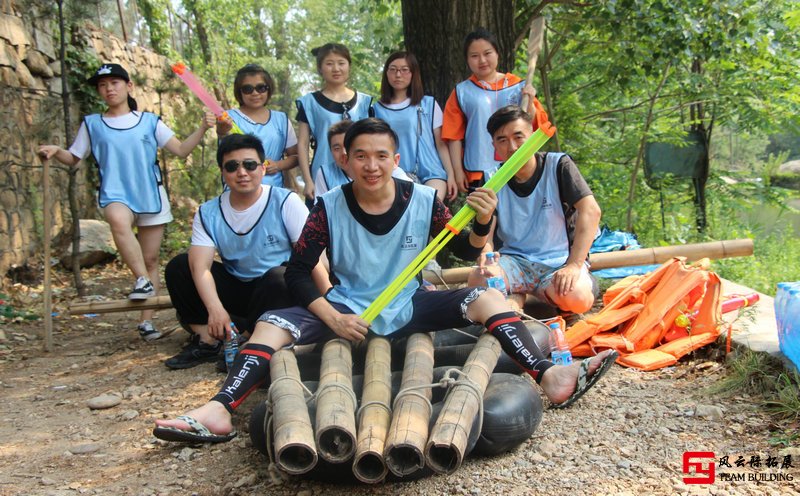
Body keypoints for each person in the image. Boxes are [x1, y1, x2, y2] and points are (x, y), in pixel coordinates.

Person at [153, 118, 616, 443]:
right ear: (346, 161)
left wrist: (479, 224)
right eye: (360, 156)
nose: (371, 166)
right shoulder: (328, 205)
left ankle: (550, 375)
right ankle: (219, 410)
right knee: (273, 321)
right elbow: (297, 273)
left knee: (486, 297)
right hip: (351, 307)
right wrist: (330, 315)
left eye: (380, 156)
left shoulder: (421, 199)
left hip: (411, 304)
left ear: (395, 158)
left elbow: (462, 251)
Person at [38, 63, 214, 341]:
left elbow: (180, 150)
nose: (109, 89)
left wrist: (203, 128)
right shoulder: (93, 124)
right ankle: (142, 281)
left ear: (128, 86)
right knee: (118, 221)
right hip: (115, 192)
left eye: (114, 83)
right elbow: (74, 157)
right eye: (103, 85)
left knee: (151, 259)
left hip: (151, 194)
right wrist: (56, 150)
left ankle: (146, 322)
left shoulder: (149, 121)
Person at [162, 134, 328, 369]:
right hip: (239, 288)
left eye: (250, 165)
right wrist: (215, 309)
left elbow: (312, 259)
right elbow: (201, 269)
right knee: (180, 267)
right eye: (232, 166)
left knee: (281, 276)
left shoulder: (285, 201)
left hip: (276, 291)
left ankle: (249, 339)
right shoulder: (209, 212)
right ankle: (207, 340)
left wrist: (329, 304)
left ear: (262, 168)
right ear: (222, 172)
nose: (242, 172)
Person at [468, 105, 602, 315]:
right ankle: (527, 293)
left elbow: (591, 211)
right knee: (478, 281)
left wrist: (574, 265)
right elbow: (487, 233)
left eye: (518, 137)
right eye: (502, 140)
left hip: (559, 262)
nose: (512, 147)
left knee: (578, 298)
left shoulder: (558, 165)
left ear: (532, 136)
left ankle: (526, 295)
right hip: (514, 262)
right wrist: (487, 257)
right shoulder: (491, 179)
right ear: (494, 145)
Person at [442, 28, 548, 192]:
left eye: (487, 53)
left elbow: (533, 125)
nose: (482, 60)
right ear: (467, 60)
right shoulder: (461, 92)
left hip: (517, 165)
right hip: (479, 171)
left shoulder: (519, 86)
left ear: (497, 54)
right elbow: (453, 136)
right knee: (486, 217)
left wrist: (531, 103)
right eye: (474, 56)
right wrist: (457, 171)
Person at [371, 51, 456, 202]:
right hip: (394, 174)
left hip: (432, 172)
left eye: (404, 70)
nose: (398, 74)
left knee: (430, 206)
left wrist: (450, 175)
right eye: (393, 69)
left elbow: (441, 144)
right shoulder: (375, 110)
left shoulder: (428, 104)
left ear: (413, 74)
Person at [296, 43, 372, 202]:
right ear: (320, 68)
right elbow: (302, 144)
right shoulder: (309, 103)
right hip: (321, 175)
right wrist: (308, 180)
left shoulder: (364, 102)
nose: (336, 68)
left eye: (341, 63)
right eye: (329, 64)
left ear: (349, 66)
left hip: (359, 175)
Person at [216, 64, 298, 188]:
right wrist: (221, 132)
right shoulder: (228, 118)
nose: (255, 93)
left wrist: (278, 165)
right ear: (239, 92)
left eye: (261, 88)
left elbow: (296, 156)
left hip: (273, 192)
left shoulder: (281, 120)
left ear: (268, 89)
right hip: (238, 190)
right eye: (248, 89)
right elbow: (224, 152)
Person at [314, 120, 412, 196]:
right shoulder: (325, 174)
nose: (343, 152)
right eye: (336, 148)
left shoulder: (390, 170)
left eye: (346, 146)